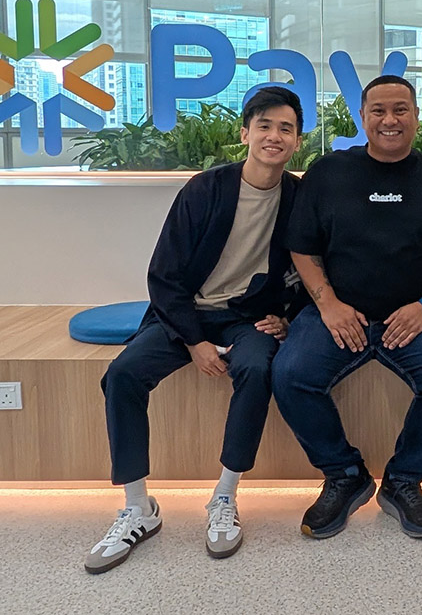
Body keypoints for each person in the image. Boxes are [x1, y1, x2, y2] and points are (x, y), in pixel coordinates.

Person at [85, 87, 304, 573]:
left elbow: (315, 267)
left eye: (285, 128)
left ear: (297, 141)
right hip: (185, 314)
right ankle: (137, 507)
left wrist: (289, 316)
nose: (274, 136)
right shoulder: (205, 189)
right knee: (122, 375)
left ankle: (224, 496)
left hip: (249, 316)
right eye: (264, 125)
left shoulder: (299, 198)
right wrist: (195, 341)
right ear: (245, 133)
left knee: (257, 370)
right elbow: (164, 275)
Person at [271, 75, 422, 540]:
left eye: (401, 110)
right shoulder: (328, 172)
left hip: (416, 316)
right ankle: (344, 474)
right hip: (337, 312)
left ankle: (404, 480)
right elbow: (302, 248)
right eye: (379, 111)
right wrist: (328, 305)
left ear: (417, 117)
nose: (390, 120)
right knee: (290, 375)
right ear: (363, 117)